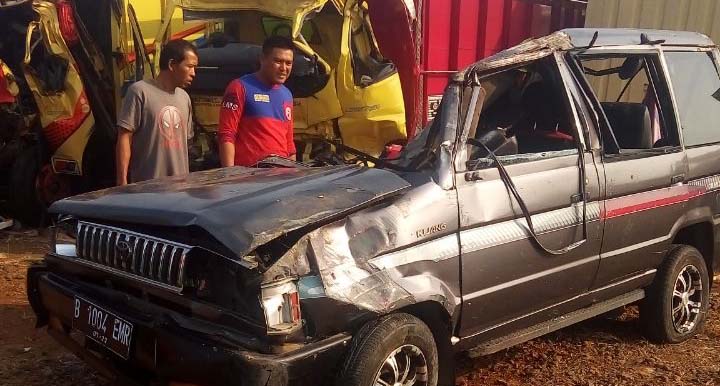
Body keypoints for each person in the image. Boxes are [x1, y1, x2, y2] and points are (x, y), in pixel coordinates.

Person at [115, 39, 198, 185]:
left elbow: (187, 142)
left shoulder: (184, 98)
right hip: (147, 189)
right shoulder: (139, 92)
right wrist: (122, 181)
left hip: (180, 190)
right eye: (190, 66)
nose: (193, 73)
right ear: (172, 64)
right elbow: (125, 137)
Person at [218, 35, 296, 167]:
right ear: (262, 59)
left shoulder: (287, 95)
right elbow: (227, 134)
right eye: (278, 61)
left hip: (281, 178)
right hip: (250, 180)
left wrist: (294, 177)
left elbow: (289, 143)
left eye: (288, 63)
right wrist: (229, 175)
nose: (283, 68)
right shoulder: (239, 87)